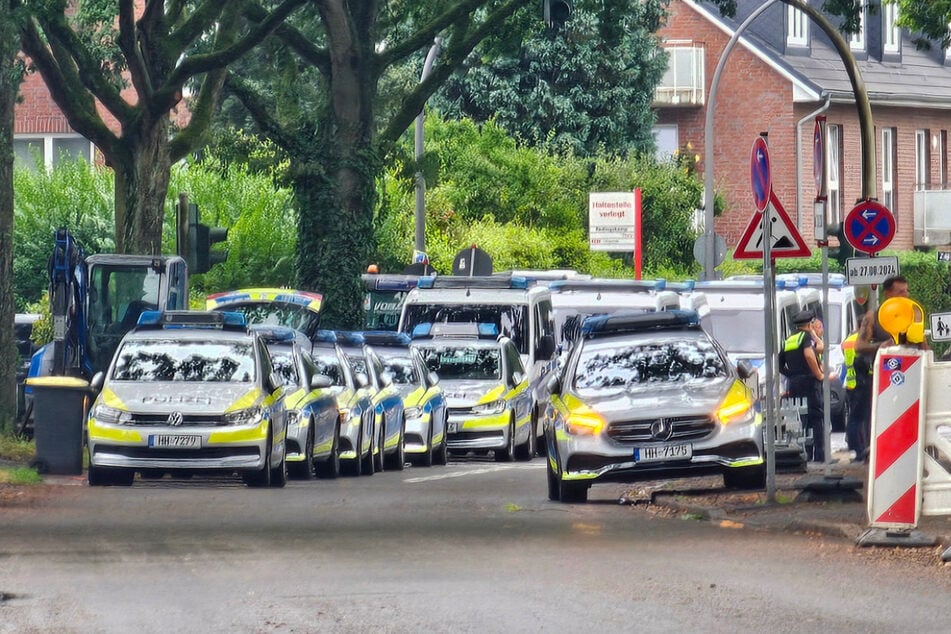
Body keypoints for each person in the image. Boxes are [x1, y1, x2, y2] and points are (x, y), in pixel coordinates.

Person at [780, 309, 825, 462]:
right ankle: (819, 455)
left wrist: (791, 374)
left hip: (794, 383)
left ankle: (801, 454)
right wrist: (818, 374)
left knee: (799, 418)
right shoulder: (806, 338)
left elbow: (779, 364)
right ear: (809, 323)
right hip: (809, 382)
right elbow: (810, 353)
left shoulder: (789, 340)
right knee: (816, 417)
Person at [841, 328, 870, 462]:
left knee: (854, 419)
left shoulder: (847, 341)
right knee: (861, 419)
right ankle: (860, 449)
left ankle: (855, 447)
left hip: (851, 384)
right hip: (862, 383)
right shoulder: (864, 341)